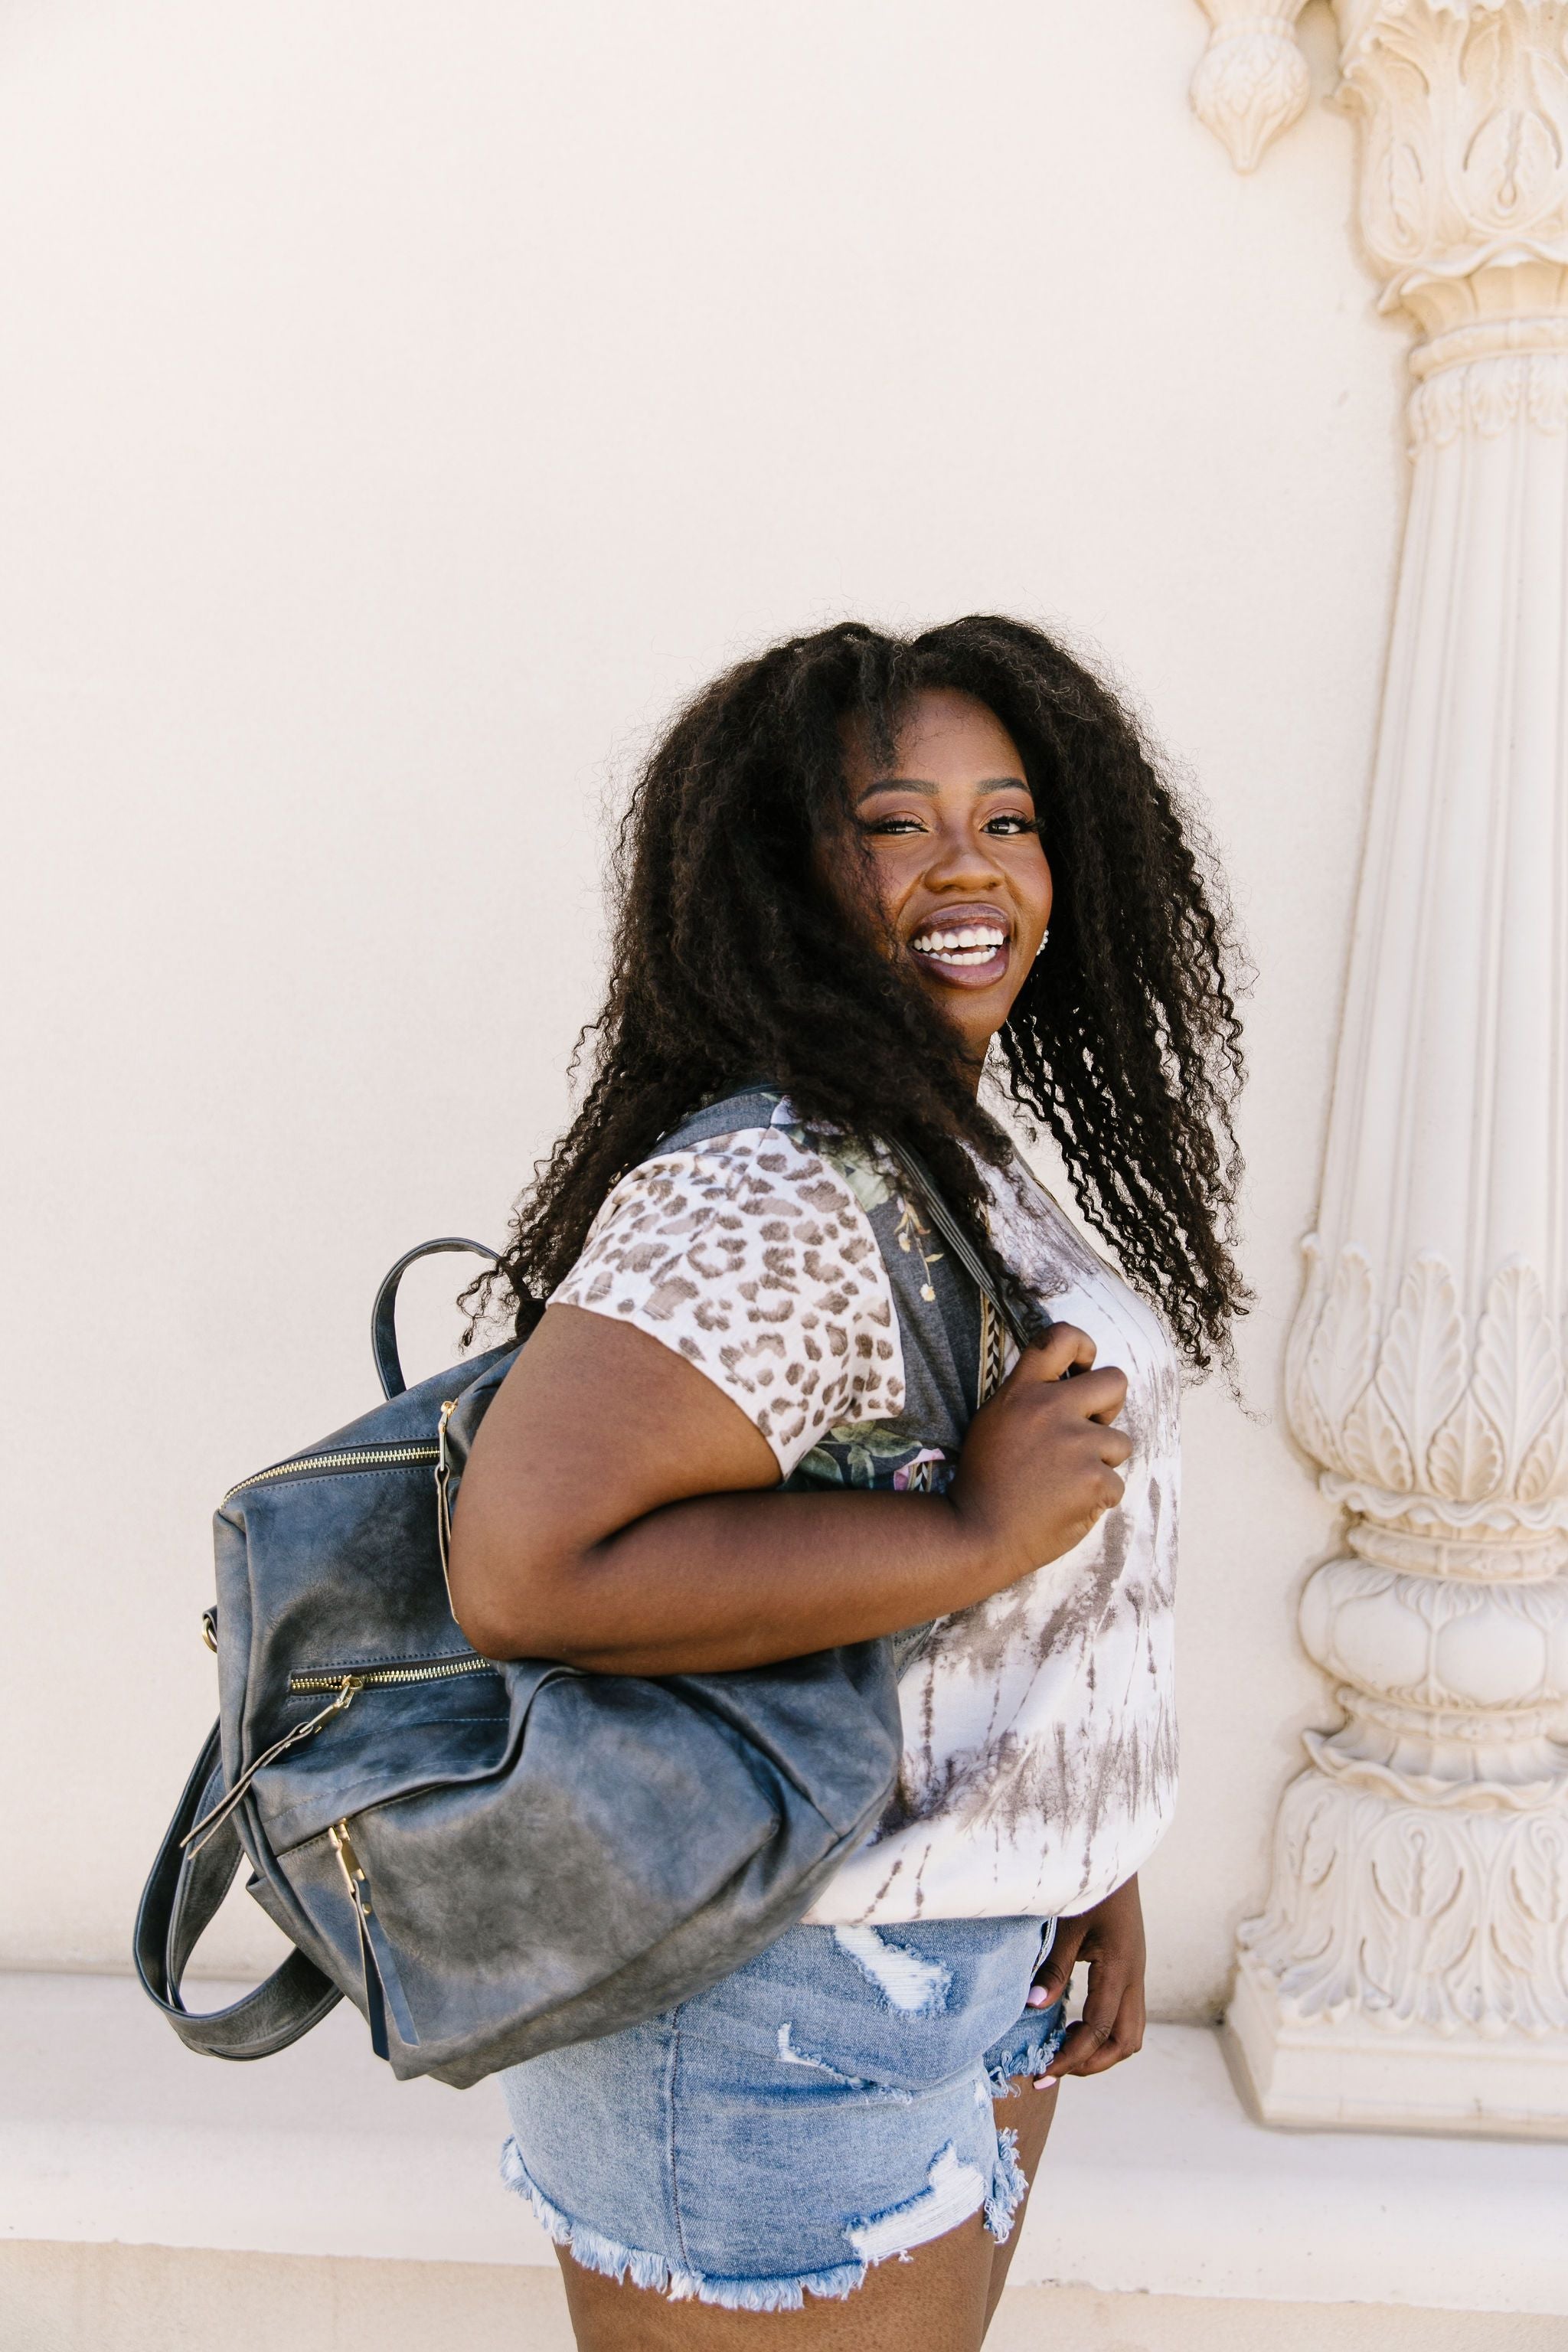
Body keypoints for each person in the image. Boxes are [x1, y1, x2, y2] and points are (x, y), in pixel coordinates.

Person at [448, 616, 1246, 2350]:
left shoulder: (938, 1142)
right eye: (894, 824)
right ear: (782, 875)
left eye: (1008, 820)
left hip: (956, 1944)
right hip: (769, 1995)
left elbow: (1025, 1581)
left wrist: (1070, 1835)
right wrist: (967, 1530)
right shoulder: (767, 1184)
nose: (969, 868)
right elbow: (525, 1572)